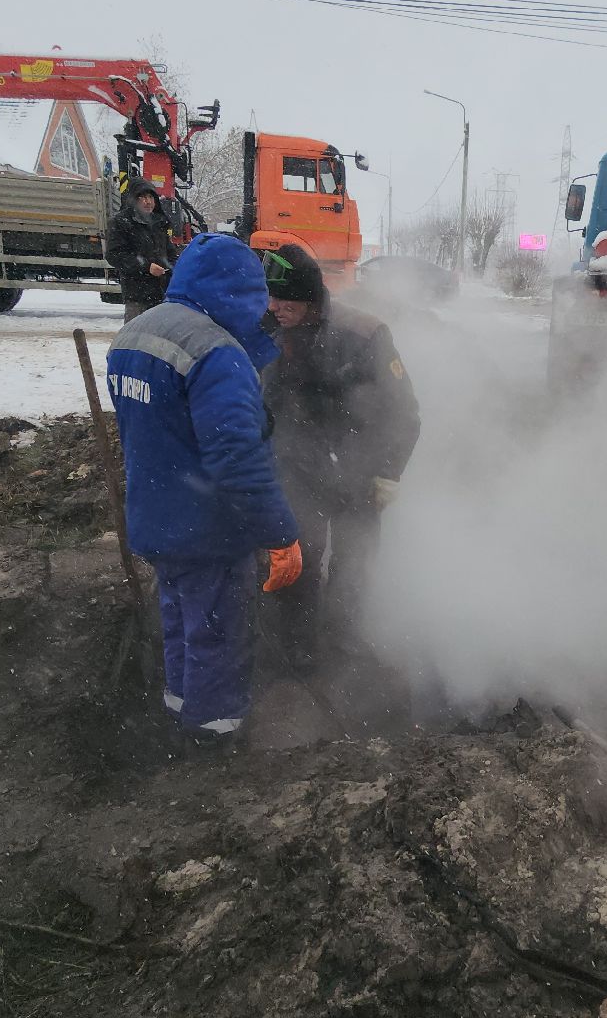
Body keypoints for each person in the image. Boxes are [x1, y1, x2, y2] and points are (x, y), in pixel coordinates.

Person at [107, 232, 305, 750]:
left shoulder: (136, 334)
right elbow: (238, 458)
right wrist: (280, 535)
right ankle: (214, 739)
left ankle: (180, 706)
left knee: (180, 620)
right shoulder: (216, 353)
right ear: (238, 292)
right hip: (206, 530)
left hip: (154, 517)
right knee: (218, 635)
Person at [258, 244, 421, 674]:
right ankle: (300, 651)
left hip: (359, 470)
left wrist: (389, 473)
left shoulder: (363, 334)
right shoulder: (267, 330)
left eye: (284, 299)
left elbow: (403, 411)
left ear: (310, 296)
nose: (274, 308)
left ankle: (345, 643)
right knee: (301, 559)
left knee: (355, 561)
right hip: (298, 467)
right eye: (269, 298)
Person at [104, 178, 173, 320]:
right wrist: (146, 267)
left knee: (159, 337)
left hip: (162, 293)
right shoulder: (121, 222)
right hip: (137, 295)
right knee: (136, 337)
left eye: (150, 197)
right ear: (133, 200)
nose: (147, 202)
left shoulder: (160, 222)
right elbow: (114, 255)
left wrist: (174, 267)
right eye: (142, 197)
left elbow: (170, 253)